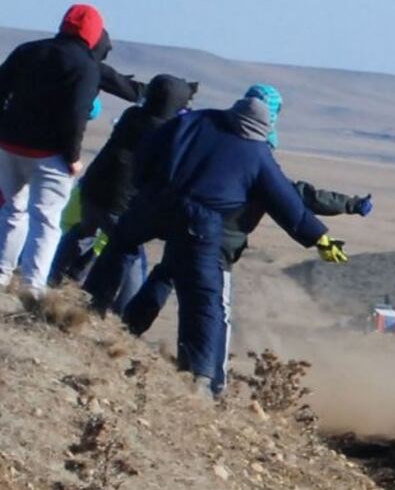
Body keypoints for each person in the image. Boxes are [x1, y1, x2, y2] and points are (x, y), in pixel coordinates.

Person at [85, 86, 351, 393]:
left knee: (123, 245)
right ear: (265, 127)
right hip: (201, 223)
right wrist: (321, 240)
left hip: (157, 200)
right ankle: (199, 375)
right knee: (203, 297)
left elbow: (147, 150)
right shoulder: (257, 153)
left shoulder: (194, 120)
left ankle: (91, 306)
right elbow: (288, 205)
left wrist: (146, 184)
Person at [122, 177, 372, 393]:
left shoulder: (205, 143)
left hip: (184, 231)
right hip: (216, 250)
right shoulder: (254, 162)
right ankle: (212, 383)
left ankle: (125, 332)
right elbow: (299, 198)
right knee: (216, 313)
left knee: (164, 277)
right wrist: (348, 207)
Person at [50, 74, 198, 309]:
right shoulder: (170, 132)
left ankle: (53, 279)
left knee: (84, 231)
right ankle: (124, 312)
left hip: (93, 189)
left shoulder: (132, 116)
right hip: (121, 200)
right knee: (130, 251)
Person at [0, 4, 106, 296]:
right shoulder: (85, 66)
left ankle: (1, 273)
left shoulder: (28, 50)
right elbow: (76, 115)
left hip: (9, 145)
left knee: (12, 211)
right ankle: (33, 289)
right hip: (49, 155)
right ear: (94, 34)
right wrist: (72, 157)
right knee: (46, 221)